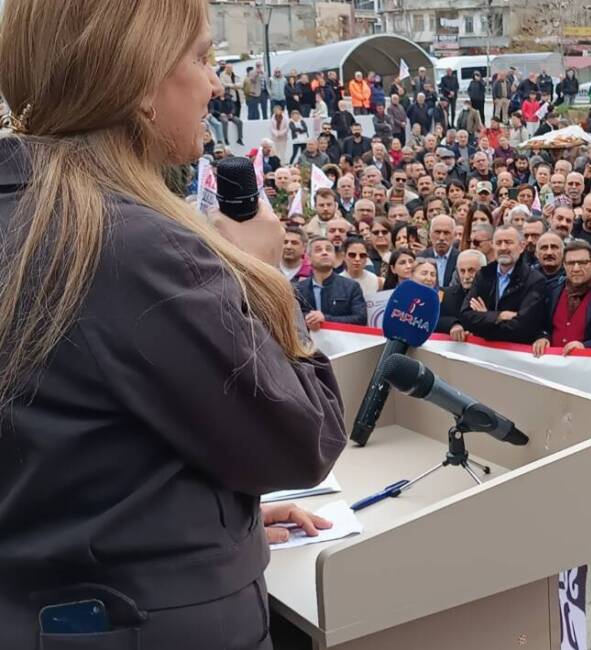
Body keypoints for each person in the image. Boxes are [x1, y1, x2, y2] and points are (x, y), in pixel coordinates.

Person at [0, 1, 347, 645]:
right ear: (140, 83)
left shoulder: (26, 214)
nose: (217, 84)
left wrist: (196, 532)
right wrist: (260, 275)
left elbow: (73, 460)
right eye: (202, 58)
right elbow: (305, 437)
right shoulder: (134, 250)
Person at [460, 225, 548, 344]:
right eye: (498, 243)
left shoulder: (534, 280)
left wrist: (484, 318)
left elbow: (524, 327)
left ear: (522, 246)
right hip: (483, 354)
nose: (503, 247)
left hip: (515, 355)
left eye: (508, 242)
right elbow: (465, 316)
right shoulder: (483, 275)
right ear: (492, 245)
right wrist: (499, 316)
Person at [532, 240, 591, 357]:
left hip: (590, 365)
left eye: (582, 263)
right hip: (552, 366)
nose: (576, 268)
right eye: (571, 263)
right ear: (564, 265)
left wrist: (587, 346)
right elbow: (541, 325)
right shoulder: (551, 290)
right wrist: (543, 336)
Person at [294, 237, 368, 330]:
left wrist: (326, 319)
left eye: (328, 249)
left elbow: (361, 319)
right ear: (308, 258)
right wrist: (309, 319)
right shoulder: (299, 289)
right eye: (318, 250)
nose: (324, 252)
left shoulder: (351, 286)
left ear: (334, 256)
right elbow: (292, 318)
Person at [438, 249, 484, 341]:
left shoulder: (496, 296)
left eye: (471, 271)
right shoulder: (442, 293)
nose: (466, 276)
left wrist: (485, 318)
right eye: (462, 271)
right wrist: (453, 324)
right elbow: (430, 319)